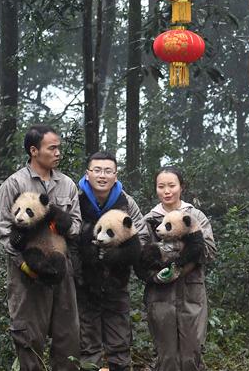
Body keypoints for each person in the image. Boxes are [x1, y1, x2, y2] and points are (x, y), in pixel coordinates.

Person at [0, 124, 81, 371]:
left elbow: (77, 226)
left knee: (68, 337)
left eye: (59, 148)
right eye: (52, 148)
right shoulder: (14, 185)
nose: (58, 153)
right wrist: (26, 265)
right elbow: (4, 234)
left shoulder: (67, 185)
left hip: (60, 268)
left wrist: (62, 225)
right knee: (29, 338)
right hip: (27, 273)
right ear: (34, 150)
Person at [74, 151, 150, 371]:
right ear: (87, 174)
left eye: (108, 171)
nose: (102, 175)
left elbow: (141, 236)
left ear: (115, 176)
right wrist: (80, 270)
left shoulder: (126, 202)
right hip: (86, 284)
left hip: (117, 282)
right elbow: (69, 237)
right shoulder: (76, 199)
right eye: (97, 170)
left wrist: (118, 253)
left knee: (120, 343)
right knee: (88, 345)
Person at [140, 166, 216, 371]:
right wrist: (156, 276)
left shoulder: (195, 216)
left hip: (191, 291)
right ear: (155, 189)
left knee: (192, 352)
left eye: (172, 185)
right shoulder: (149, 220)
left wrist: (176, 253)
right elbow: (139, 259)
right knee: (167, 356)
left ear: (181, 187)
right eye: (161, 186)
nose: (167, 191)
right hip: (160, 295)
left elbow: (209, 250)